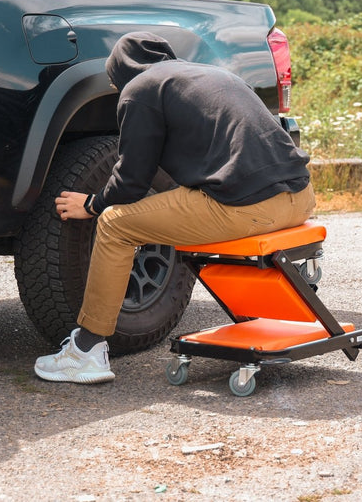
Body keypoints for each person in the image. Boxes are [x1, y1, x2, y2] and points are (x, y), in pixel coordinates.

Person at [34, 32, 315, 383]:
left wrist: (92, 204)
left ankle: (87, 351)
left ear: (121, 71)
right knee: (168, 205)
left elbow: (132, 181)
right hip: (301, 197)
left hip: (247, 206)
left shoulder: (139, 89)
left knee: (115, 225)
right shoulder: (211, 75)